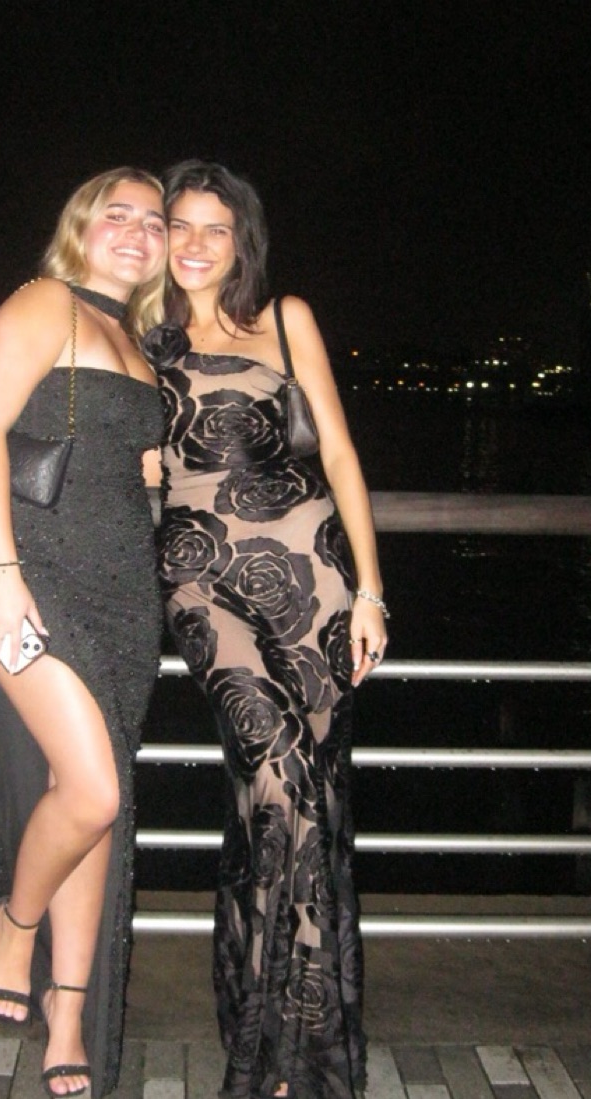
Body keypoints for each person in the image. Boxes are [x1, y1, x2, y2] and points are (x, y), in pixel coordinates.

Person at [147, 161, 387, 1099]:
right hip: (201, 584)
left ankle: (291, 1047)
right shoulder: (142, 332)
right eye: (180, 225)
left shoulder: (286, 319)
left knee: (295, 806)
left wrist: (370, 592)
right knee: (280, 778)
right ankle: (273, 1048)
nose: (196, 244)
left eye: (216, 228)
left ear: (241, 240)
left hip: (314, 582)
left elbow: (339, 451)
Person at [0, 167, 166, 1098]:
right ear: (80, 225)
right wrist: (2, 575)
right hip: (29, 575)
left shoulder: (141, 339)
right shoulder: (44, 301)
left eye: (152, 221)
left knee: (94, 804)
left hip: (124, 588)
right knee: (93, 790)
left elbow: (139, 471)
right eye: (117, 214)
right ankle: (15, 921)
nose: (136, 231)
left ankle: (68, 1015)